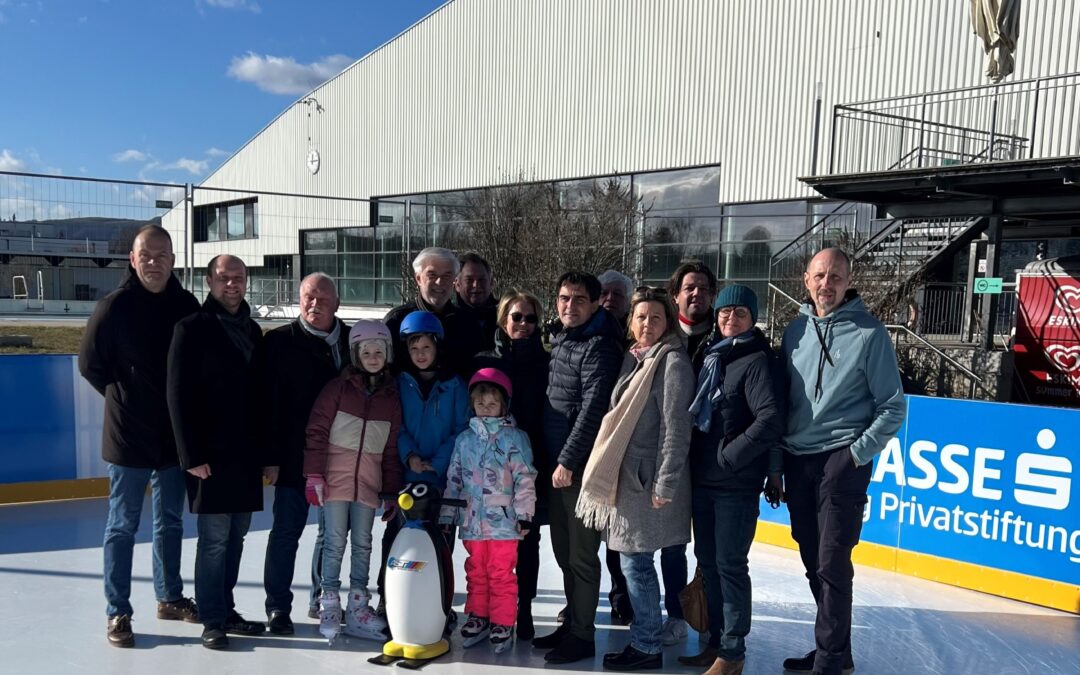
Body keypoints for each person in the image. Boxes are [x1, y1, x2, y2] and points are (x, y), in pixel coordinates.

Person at [780, 248, 906, 675]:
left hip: (841, 460)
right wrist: (778, 464)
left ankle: (831, 660)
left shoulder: (870, 334)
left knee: (832, 562)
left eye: (835, 276)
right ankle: (834, 649)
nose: (826, 284)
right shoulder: (794, 331)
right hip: (798, 461)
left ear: (849, 280)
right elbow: (784, 404)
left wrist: (854, 455)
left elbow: (892, 406)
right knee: (812, 558)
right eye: (819, 275)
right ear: (806, 280)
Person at [79, 224, 200, 648]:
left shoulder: (187, 305)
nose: (153, 262)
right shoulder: (113, 308)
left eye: (161, 255)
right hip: (128, 437)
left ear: (173, 259)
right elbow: (90, 366)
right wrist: (126, 400)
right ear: (132, 259)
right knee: (123, 525)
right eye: (145, 255)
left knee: (169, 521)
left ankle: (168, 597)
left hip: (172, 439)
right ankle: (118, 611)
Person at [575, 286, 694, 672]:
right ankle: (646, 638)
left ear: (668, 322)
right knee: (633, 562)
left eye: (656, 317)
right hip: (628, 480)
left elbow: (676, 429)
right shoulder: (634, 358)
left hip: (648, 482)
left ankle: (646, 645)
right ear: (631, 321)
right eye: (641, 317)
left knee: (635, 563)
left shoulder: (672, 362)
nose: (647, 323)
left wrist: (665, 483)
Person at [680, 284, 784, 675]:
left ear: (752, 318)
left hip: (734, 484)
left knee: (729, 565)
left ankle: (733, 652)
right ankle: (714, 642)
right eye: (724, 313)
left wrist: (729, 456)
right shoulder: (713, 355)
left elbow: (770, 419)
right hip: (704, 479)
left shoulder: (757, 360)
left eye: (740, 313)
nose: (730, 319)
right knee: (707, 562)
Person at [166, 254, 266, 650]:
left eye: (238, 278)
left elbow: (261, 398)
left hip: (245, 455)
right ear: (209, 281)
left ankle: (226, 608)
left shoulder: (254, 332)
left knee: (238, 536)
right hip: (210, 455)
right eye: (223, 278)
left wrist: (266, 453)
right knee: (213, 539)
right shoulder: (191, 329)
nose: (231, 285)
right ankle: (211, 617)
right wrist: (191, 455)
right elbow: (177, 395)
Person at [534, 271, 623, 665]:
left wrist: (569, 461)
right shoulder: (563, 340)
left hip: (578, 470)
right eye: (564, 298)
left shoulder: (599, 346)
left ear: (595, 303)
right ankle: (573, 622)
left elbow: (593, 410)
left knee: (582, 556)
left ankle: (583, 636)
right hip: (556, 466)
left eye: (578, 300)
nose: (569, 306)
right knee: (564, 552)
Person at [256, 272, 350, 634]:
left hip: (339, 459)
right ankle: (278, 606)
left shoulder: (352, 341)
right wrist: (271, 457)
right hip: (294, 459)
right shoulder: (278, 342)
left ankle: (320, 599)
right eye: (309, 297)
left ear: (337, 304)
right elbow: (267, 405)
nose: (315, 304)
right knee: (285, 532)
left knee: (330, 536)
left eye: (323, 299)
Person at [304, 320, 403, 642]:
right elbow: (317, 431)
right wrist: (314, 474)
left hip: (369, 483)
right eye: (366, 351)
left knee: (363, 544)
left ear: (387, 354)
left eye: (378, 351)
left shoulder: (391, 398)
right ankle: (329, 601)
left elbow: (391, 449)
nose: (373, 357)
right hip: (335, 480)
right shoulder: (337, 389)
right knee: (333, 542)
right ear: (355, 354)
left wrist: (390, 491)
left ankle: (359, 604)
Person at [375, 310, 470, 610]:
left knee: (440, 544)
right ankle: (387, 596)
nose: (420, 354)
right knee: (397, 538)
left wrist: (438, 462)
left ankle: (438, 602)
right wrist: (410, 456)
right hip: (409, 478)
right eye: (414, 348)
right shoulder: (399, 383)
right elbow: (396, 424)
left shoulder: (455, 385)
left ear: (437, 347)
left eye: (426, 347)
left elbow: (462, 428)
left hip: (442, 480)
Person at [472, 290, 550, 640]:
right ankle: (485, 608)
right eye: (516, 317)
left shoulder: (546, 362)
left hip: (528, 463)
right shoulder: (485, 361)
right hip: (489, 468)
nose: (523, 324)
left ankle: (525, 606)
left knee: (526, 538)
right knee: (487, 546)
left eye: (530, 318)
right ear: (504, 319)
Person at [441, 368, 537, 652]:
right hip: (472, 521)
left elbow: (524, 477)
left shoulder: (514, 438)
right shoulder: (464, 440)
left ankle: (503, 621)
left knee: (500, 572)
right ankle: (479, 616)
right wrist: (448, 515)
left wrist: (524, 514)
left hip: (504, 523)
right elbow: (454, 479)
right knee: (476, 570)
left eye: (492, 402)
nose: (485, 407)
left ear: (503, 405)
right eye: (480, 403)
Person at [596, 268, 636, 625]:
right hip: (588, 450)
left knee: (617, 538)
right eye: (603, 293)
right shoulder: (586, 332)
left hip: (623, 452)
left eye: (617, 295)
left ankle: (623, 596)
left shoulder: (634, 340)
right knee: (584, 541)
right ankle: (579, 603)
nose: (609, 300)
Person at [384, 247, 474, 375]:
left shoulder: (467, 322)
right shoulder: (396, 321)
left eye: (446, 276)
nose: (439, 282)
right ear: (418, 278)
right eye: (432, 275)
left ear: (454, 280)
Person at [453, 251, 498, 358]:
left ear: (491, 283)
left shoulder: (508, 315)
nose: (476, 285)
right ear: (457, 285)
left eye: (482, 280)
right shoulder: (448, 319)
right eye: (469, 280)